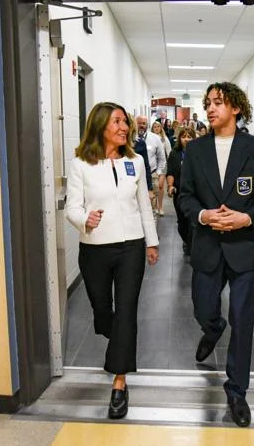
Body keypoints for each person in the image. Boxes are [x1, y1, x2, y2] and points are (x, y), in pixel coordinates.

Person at [179, 82, 254, 428]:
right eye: (207, 103)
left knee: (243, 318)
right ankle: (213, 327)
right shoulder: (196, 150)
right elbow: (185, 197)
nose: (210, 108)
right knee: (203, 308)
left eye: (217, 102)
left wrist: (246, 217)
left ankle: (237, 390)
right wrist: (205, 215)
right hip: (206, 245)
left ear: (236, 108)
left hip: (243, 248)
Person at [65, 102, 159, 420]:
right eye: (117, 122)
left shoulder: (135, 161)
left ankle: (119, 382)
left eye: (125, 122)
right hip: (94, 248)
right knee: (104, 311)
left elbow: (144, 204)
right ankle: (109, 326)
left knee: (127, 311)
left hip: (131, 246)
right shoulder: (81, 163)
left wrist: (152, 241)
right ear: (101, 125)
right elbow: (71, 208)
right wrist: (85, 219)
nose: (124, 127)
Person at [166, 126, 196, 255]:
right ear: (179, 138)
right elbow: (171, 172)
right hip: (179, 192)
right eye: (183, 136)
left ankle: (191, 245)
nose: (186, 139)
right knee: (182, 221)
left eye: (189, 136)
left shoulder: (198, 153)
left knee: (192, 220)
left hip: (195, 193)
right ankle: (186, 240)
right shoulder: (175, 153)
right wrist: (170, 186)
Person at [136, 115, 167, 220]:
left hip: (152, 176)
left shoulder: (155, 138)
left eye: (143, 124)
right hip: (136, 176)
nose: (141, 126)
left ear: (147, 125)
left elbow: (162, 159)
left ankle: (153, 232)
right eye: (139, 123)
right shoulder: (130, 139)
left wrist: (158, 173)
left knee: (151, 206)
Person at [151, 120, 172, 216]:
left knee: (160, 186)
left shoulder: (164, 139)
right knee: (154, 186)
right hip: (153, 166)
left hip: (163, 165)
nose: (156, 128)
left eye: (158, 127)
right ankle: (154, 206)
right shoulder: (150, 138)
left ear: (161, 128)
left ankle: (160, 207)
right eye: (154, 127)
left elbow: (169, 153)